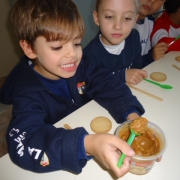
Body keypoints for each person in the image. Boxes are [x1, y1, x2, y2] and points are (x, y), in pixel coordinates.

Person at [0, 0, 145, 178]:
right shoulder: (27, 93)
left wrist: (132, 117)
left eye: (76, 43)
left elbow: (106, 83)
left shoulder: (81, 64)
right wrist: (86, 145)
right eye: (57, 47)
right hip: (57, 145)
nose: (73, 54)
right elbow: (24, 142)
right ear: (29, 48)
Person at [83, 0, 148, 85]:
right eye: (109, 17)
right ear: (97, 18)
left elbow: (137, 67)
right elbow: (91, 86)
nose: (118, 26)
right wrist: (122, 76)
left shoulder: (134, 37)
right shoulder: (88, 57)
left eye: (127, 18)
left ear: (135, 19)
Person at [134, 0, 168, 67]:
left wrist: (153, 54)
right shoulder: (117, 25)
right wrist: (150, 58)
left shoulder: (151, 23)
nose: (152, 0)